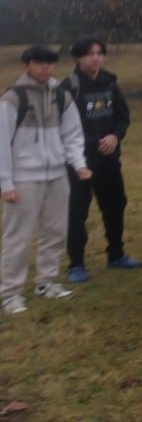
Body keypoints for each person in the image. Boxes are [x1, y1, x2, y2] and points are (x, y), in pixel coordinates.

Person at [1, 45, 92, 315]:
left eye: (50, 63)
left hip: (56, 176)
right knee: (18, 236)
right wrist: (6, 184)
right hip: (24, 179)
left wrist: (79, 164)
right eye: (39, 63)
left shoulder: (61, 96)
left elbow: (73, 134)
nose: (45, 68)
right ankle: (10, 293)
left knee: (56, 231)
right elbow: (2, 145)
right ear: (26, 65)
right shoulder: (12, 100)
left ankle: (46, 281)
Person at [61, 37, 141, 284]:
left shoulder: (110, 82)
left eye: (99, 53)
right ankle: (76, 264)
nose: (95, 58)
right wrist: (96, 140)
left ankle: (116, 255)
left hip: (109, 160)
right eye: (89, 54)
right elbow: (63, 127)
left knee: (116, 206)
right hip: (80, 163)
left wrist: (115, 136)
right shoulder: (68, 87)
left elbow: (122, 116)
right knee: (77, 212)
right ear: (77, 58)